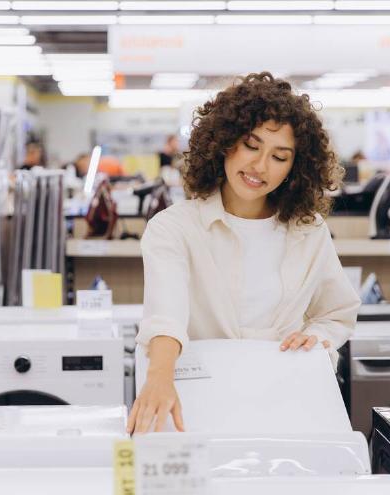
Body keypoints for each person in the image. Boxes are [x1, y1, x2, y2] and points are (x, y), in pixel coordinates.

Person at [127, 72, 361, 434]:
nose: (260, 166)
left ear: (295, 168)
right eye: (251, 145)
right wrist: (158, 377)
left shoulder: (308, 230)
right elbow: (165, 316)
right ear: (224, 141)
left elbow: (336, 312)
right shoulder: (174, 228)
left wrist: (318, 337)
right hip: (196, 406)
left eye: (279, 156)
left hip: (289, 405)